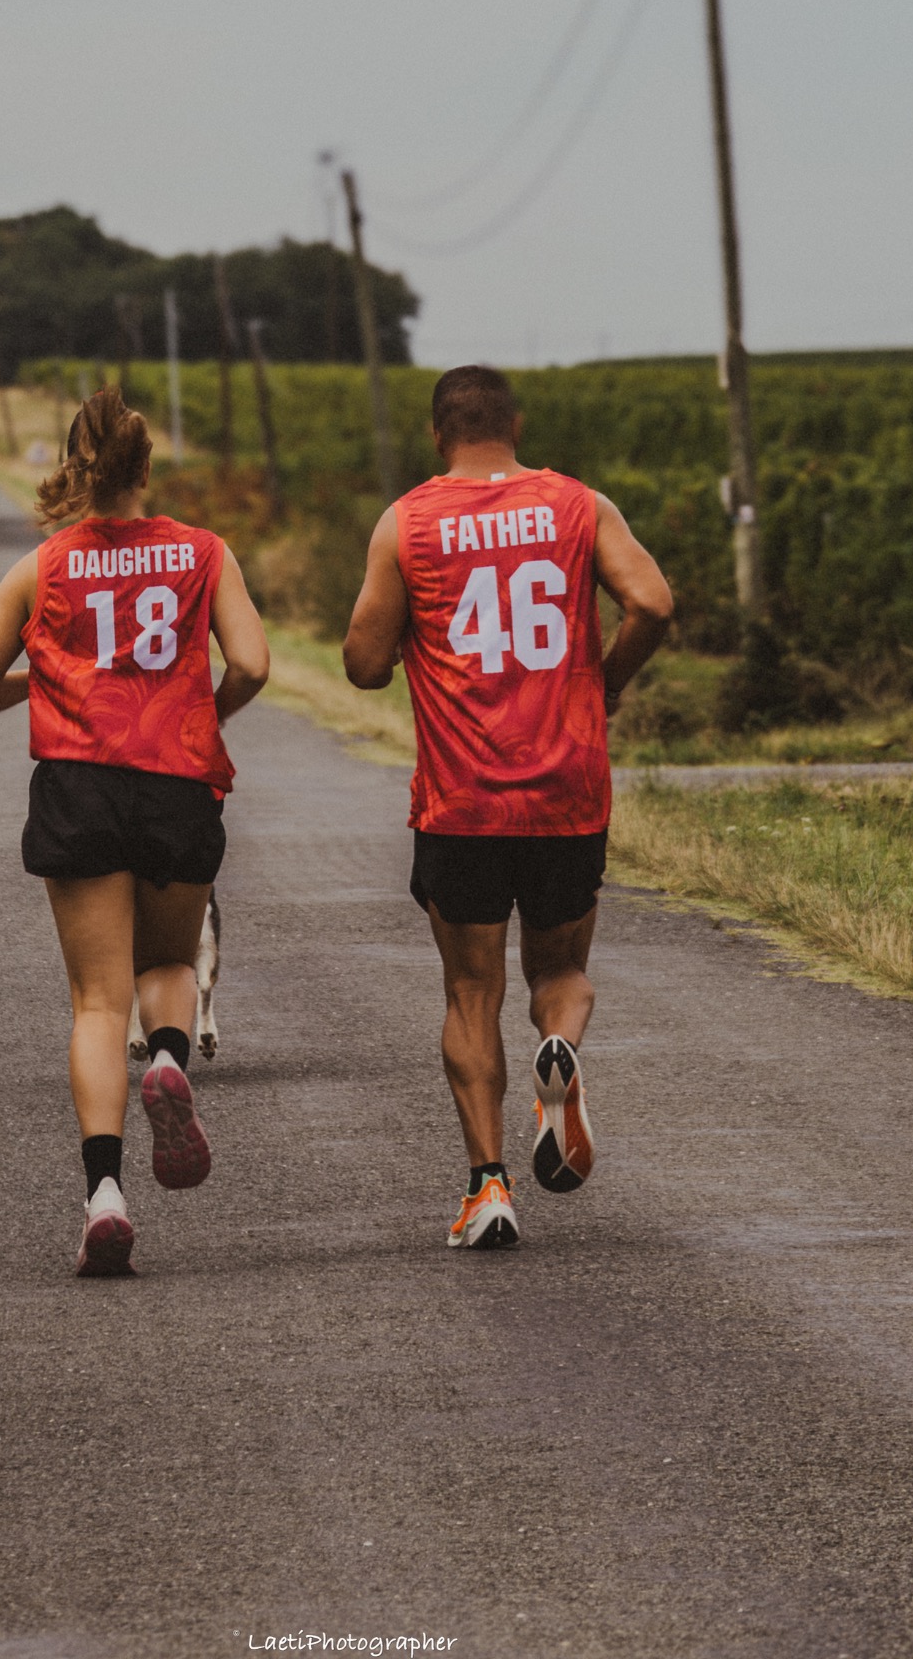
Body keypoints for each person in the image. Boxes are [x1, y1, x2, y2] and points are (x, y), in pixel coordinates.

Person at [343, 365, 672, 1250]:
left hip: (461, 801)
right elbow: (651, 602)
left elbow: (363, 665)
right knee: (558, 973)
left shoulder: (406, 522)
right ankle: (558, 1052)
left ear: (436, 433)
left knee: (469, 991)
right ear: (514, 425)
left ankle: (487, 1189)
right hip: (567, 792)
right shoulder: (578, 505)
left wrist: (410, 632)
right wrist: (601, 683)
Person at [0, 387, 269, 1276]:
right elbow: (252, 663)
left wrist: (55, 679)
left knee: (97, 1002)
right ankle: (167, 1058)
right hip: (177, 782)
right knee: (167, 963)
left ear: (73, 466)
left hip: (79, 789)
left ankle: (104, 1197)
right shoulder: (204, 552)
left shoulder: (41, 568)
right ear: (145, 467)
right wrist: (203, 712)